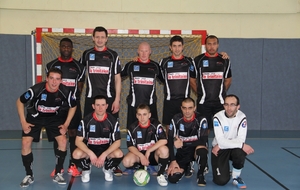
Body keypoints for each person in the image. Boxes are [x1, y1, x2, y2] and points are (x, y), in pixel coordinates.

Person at [16, 68, 77, 187]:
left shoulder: (66, 92)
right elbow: (19, 101)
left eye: (57, 79)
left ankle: (58, 173)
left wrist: (66, 124)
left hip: (53, 118)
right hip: (35, 117)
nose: (54, 82)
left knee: (63, 141)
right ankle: (29, 175)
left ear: (61, 81)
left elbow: (73, 106)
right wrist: (23, 121)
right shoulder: (36, 89)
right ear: (47, 79)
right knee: (25, 143)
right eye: (52, 78)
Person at [79, 26, 122, 175]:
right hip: (91, 98)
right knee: (86, 131)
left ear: (106, 38)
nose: (99, 39)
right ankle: (86, 163)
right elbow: (80, 77)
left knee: (111, 131)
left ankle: (110, 164)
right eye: (97, 37)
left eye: (102, 37)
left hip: (109, 99)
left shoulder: (113, 55)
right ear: (92, 38)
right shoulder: (87, 54)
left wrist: (117, 99)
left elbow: (117, 79)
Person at [46, 38, 85, 177]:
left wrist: (71, 100)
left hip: (73, 107)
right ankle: (59, 166)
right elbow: (49, 86)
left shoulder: (79, 67)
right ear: (60, 47)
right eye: (64, 46)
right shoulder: (51, 65)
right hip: (56, 107)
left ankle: (73, 165)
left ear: (72, 48)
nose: (66, 48)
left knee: (74, 133)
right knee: (59, 135)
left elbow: (80, 87)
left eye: (69, 46)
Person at [72, 95, 123, 183]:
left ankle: (107, 168)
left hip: (106, 151)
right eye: (98, 105)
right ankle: (86, 168)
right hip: (90, 151)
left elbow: (117, 142)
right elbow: (78, 141)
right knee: (76, 154)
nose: (100, 108)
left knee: (119, 154)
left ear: (107, 106)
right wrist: (90, 153)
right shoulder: (86, 121)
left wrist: (104, 154)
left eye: (103, 105)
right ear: (93, 106)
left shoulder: (113, 121)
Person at [190, 35, 232, 131]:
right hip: (203, 102)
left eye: (214, 44)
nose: (211, 46)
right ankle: (203, 146)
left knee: (222, 127)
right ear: (205, 46)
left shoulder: (225, 60)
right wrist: (200, 92)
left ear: (218, 45)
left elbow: (228, 79)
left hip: (220, 102)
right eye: (209, 44)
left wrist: (221, 91)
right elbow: (192, 80)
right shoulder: (197, 60)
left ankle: (222, 146)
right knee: (204, 128)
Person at [211, 94, 254, 189]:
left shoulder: (242, 117)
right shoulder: (217, 117)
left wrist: (224, 144)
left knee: (240, 152)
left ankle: (236, 177)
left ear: (238, 106)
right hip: (219, 150)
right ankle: (225, 171)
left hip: (229, 148)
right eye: (226, 104)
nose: (229, 108)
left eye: (232, 105)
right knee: (221, 181)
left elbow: (241, 139)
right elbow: (221, 141)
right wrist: (241, 145)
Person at [122, 104, 169, 186]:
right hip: (139, 155)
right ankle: (138, 167)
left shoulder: (155, 124)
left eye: (144, 114)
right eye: (139, 115)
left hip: (153, 155)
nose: (142, 117)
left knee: (164, 150)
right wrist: (141, 156)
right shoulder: (132, 127)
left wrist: (149, 150)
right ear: (136, 115)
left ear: (149, 115)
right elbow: (130, 146)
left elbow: (164, 140)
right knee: (126, 162)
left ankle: (160, 173)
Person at [159, 35, 196, 136]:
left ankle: (185, 147)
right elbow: (162, 78)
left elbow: (194, 77)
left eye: (179, 46)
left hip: (185, 100)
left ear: (183, 46)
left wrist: (222, 55)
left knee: (186, 126)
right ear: (170, 47)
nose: (177, 48)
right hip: (170, 100)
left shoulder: (189, 61)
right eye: (174, 46)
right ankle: (169, 148)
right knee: (169, 127)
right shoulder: (164, 62)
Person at [167, 98, 209, 186]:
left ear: (194, 108)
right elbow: (170, 140)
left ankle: (200, 174)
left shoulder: (201, 119)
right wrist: (173, 160)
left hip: (196, 150)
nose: (187, 111)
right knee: (172, 178)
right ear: (181, 108)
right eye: (184, 108)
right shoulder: (176, 119)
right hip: (183, 152)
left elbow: (203, 140)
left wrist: (184, 143)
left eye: (190, 108)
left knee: (202, 150)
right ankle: (188, 165)